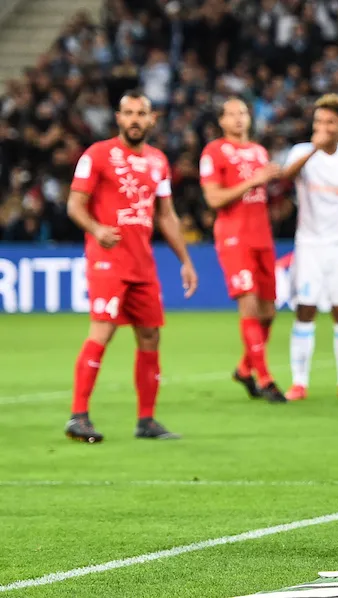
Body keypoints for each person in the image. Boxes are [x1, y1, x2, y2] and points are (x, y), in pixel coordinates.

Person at [64, 90, 199, 443]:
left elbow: (166, 215)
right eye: (129, 113)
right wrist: (96, 229)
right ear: (118, 118)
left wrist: (185, 260)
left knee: (151, 335)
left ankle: (147, 420)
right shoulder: (97, 154)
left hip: (143, 263)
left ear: (152, 119)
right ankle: (78, 416)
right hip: (108, 260)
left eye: (142, 113)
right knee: (102, 330)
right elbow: (75, 204)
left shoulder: (158, 161)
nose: (135, 119)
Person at [281, 94, 338, 401]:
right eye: (318, 121)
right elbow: (284, 178)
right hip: (308, 244)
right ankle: (299, 382)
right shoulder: (302, 152)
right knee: (304, 309)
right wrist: (314, 151)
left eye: (329, 122)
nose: (323, 126)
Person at [199, 97, 286, 403]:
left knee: (269, 313)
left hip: (262, 236)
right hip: (234, 237)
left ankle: (244, 369)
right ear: (221, 121)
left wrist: (270, 181)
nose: (238, 119)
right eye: (231, 114)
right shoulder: (214, 151)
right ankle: (266, 379)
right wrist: (254, 180)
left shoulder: (259, 152)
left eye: (243, 113)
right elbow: (213, 199)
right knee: (249, 306)